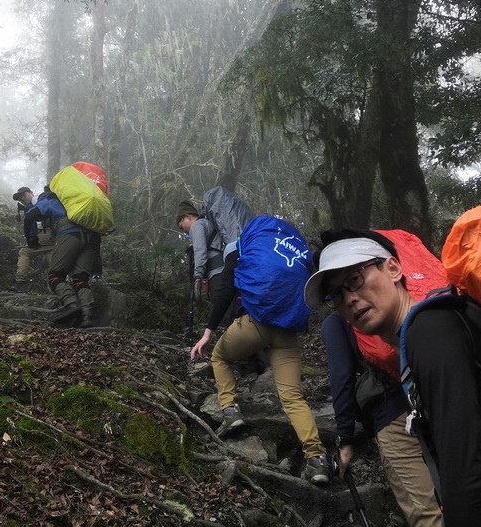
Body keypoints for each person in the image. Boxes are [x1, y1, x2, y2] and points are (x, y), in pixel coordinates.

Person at [305, 230, 481, 527]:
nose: (349, 298)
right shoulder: (421, 334)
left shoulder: (429, 332)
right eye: (337, 294)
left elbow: (462, 464)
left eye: (355, 279)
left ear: (393, 269)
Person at [189, 215, 330, 486]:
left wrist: (208, 331)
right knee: (292, 397)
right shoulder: (294, 249)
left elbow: (227, 289)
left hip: (255, 322)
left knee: (220, 357)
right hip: (288, 331)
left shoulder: (239, 247)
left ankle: (230, 412)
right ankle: (317, 458)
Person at [321, 311, 442, 526]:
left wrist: (345, 439)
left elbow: (341, 377)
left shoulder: (337, 321)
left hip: (391, 417)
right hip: (429, 401)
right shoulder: (387, 305)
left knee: (424, 509)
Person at [25, 186, 100, 328]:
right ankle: (87, 316)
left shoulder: (50, 199)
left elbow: (30, 215)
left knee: (54, 276)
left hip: (70, 234)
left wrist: (30, 239)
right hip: (92, 238)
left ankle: (71, 305)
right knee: (80, 278)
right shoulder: (76, 201)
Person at [175, 199, 226, 307]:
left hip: (218, 273)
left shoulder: (197, 225)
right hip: (223, 270)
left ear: (187, 217)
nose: (183, 231)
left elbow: (200, 252)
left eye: (181, 226)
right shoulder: (206, 223)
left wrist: (197, 276)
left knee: (222, 310)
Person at [12, 186, 53, 287]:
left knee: (24, 252)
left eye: (23, 195)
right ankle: (58, 280)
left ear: (31, 192)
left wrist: (31, 239)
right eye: (19, 197)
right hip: (54, 236)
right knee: (49, 254)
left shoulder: (38, 201)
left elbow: (36, 224)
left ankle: (20, 279)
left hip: (46, 234)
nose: (22, 198)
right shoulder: (36, 203)